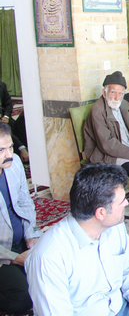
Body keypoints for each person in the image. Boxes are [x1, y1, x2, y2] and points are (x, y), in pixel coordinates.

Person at [26, 164, 129, 316]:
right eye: (122, 201)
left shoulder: (114, 227)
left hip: (121, 308)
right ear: (101, 213)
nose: (127, 203)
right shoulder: (48, 257)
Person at [84, 71, 129, 205]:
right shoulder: (97, 111)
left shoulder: (124, 105)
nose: (117, 97)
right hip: (110, 156)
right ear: (104, 92)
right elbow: (108, 145)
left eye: (121, 93)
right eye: (113, 92)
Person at [0, 123, 40, 314]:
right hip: (3, 252)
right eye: (1, 150)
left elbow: (25, 202)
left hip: (21, 240)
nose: (9, 154)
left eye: (10, 147)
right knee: (22, 298)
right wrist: (15, 258)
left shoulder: (14, 163)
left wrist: (31, 234)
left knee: (52, 272)